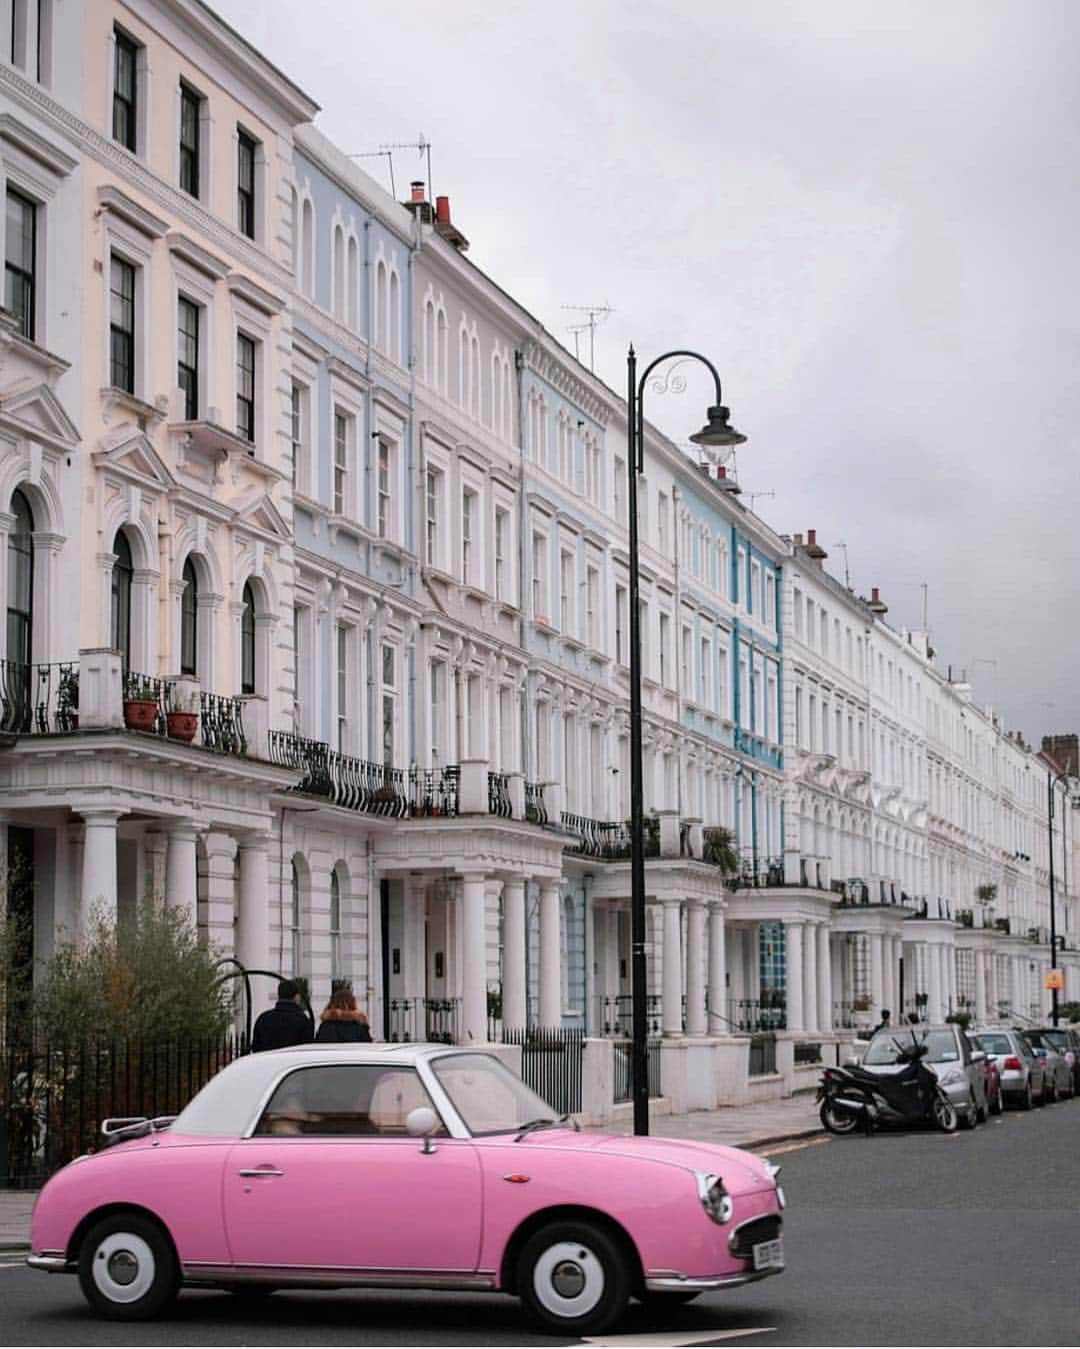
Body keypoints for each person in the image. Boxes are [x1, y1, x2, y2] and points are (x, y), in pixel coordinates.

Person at [251, 979, 314, 1052]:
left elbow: (256, 1048)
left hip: (267, 1062)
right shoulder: (303, 1021)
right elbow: (307, 1050)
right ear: (297, 996)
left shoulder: (263, 1019)